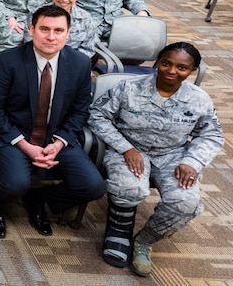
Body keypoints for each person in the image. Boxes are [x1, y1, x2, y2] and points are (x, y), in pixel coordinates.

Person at [89, 42, 223, 277]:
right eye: (166, 63)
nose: (171, 71)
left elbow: (211, 134)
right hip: (131, 148)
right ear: (156, 63)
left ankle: (145, 240)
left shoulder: (199, 99)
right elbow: (98, 116)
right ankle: (119, 231)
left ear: (192, 71)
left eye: (182, 68)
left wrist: (193, 162)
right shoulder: (128, 88)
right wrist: (125, 148)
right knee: (129, 188)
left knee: (185, 203)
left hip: (174, 155)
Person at [0, 5, 106, 239]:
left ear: (68, 33)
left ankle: (40, 198)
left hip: (55, 137)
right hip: (15, 136)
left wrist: (58, 144)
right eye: (44, 29)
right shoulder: (6, 61)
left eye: (58, 30)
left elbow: (80, 111)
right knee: (16, 182)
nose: (51, 36)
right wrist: (25, 145)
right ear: (31, 30)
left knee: (93, 186)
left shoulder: (79, 63)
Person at [26, 0, 98, 58]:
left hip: (72, 62)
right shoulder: (37, 14)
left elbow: (88, 49)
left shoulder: (85, 18)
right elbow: (28, 43)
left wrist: (69, 62)